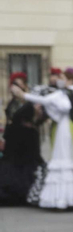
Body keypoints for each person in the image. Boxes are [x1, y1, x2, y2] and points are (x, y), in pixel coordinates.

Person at [22, 67, 73, 209]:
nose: (59, 80)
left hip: (67, 129)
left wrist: (23, 95)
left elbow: (52, 103)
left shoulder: (67, 94)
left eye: (62, 78)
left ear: (70, 80)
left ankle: (68, 198)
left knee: (69, 158)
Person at [0, 74, 45, 206]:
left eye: (18, 85)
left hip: (27, 138)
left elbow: (39, 120)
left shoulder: (31, 101)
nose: (15, 88)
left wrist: (35, 119)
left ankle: (27, 193)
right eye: (13, 85)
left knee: (27, 165)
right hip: (13, 137)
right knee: (10, 165)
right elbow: (10, 118)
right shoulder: (12, 102)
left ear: (24, 86)